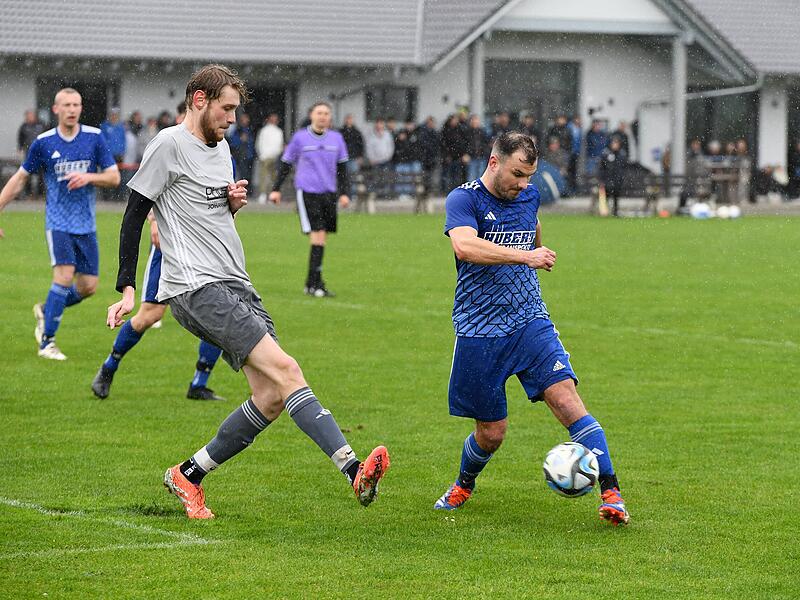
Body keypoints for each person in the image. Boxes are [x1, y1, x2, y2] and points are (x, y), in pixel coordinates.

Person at [107, 64, 389, 519]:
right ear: (199, 100)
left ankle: (188, 474)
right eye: (227, 108)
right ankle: (353, 468)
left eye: (235, 110)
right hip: (196, 288)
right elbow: (134, 215)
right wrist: (127, 286)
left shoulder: (220, 150)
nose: (233, 119)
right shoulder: (167, 145)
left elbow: (208, 217)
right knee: (288, 369)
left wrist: (230, 206)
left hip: (236, 283)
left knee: (272, 396)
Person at [434, 131, 629, 525]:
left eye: (530, 176)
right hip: (479, 329)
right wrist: (526, 257)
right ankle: (463, 483)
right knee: (492, 434)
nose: (524, 184)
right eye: (518, 174)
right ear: (494, 163)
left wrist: (536, 253)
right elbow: (465, 247)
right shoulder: (464, 199)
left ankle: (612, 494)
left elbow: (533, 226)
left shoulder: (527, 196)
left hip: (530, 321)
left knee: (569, 402)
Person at [0, 88, 120, 359]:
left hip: (86, 225)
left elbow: (113, 177)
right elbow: (20, 179)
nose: (72, 109)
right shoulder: (43, 143)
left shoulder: (94, 138)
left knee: (89, 286)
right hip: (59, 223)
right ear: (56, 109)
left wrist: (89, 178)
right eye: (66, 104)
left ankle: (46, 310)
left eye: (76, 104)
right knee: (64, 277)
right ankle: (47, 343)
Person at [91, 212, 226, 401]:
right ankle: (109, 368)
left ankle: (199, 384)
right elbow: (148, 188)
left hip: (204, 245)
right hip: (169, 243)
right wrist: (154, 220)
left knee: (217, 311)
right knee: (150, 315)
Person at [270, 102, 350, 297]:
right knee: (318, 235)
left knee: (322, 238)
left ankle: (311, 282)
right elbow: (285, 164)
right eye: (319, 113)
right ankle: (316, 284)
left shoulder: (337, 139)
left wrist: (345, 193)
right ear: (312, 115)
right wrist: (276, 189)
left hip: (328, 193)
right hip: (307, 192)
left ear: (330, 118)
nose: (323, 116)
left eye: (326, 113)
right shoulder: (300, 138)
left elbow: (343, 170)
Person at [255, 112, 284, 203]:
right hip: (265, 157)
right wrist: (262, 154)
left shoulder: (278, 131)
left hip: (273, 157)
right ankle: (264, 194)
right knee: (265, 176)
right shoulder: (264, 130)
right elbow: (259, 143)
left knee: (272, 177)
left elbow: (279, 145)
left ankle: (271, 194)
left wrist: (276, 155)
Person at [17, 109, 45, 198]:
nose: (30, 117)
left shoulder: (41, 125)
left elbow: (46, 138)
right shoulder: (24, 126)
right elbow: (20, 139)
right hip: (28, 154)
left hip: (41, 154)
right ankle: (29, 194)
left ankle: (40, 194)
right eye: (28, 116)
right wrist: (20, 148)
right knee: (27, 174)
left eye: (31, 115)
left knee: (41, 175)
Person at [600, 137, 627, 217]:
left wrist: (621, 177)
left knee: (616, 196)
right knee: (607, 196)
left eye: (616, 144)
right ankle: (605, 211)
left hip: (617, 179)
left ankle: (615, 212)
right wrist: (602, 179)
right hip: (608, 179)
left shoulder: (621, 155)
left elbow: (623, 168)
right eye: (614, 144)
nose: (615, 145)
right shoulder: (606, 154)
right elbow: (602, 168)